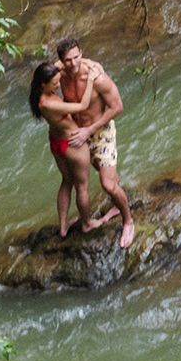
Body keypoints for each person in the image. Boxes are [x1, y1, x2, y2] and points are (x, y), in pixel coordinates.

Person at [54, 37, 135, 248]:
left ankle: (128, 220)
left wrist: (89, 130)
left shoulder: (96, 77)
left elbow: (118, 106)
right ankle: (115, 205)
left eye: (77, 57)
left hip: (99, 131)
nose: (73, 64)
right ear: (61, 61)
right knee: (100, 171)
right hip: (76, 133)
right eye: (68, 60)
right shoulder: (59, 73)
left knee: (107, 184)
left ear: (82, 53)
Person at [29, 60, 97, 237]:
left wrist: (77, 60)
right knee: (82, 186)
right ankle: (88, 223)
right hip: (72, 142)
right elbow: (82, 105)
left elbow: (58, 64)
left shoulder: (39, 91)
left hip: (56, 142)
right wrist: (90, 80)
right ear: (43, 84)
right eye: (55, 83)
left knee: (67, 181)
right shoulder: (47, 103)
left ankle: (63, 226)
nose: (58, 85)